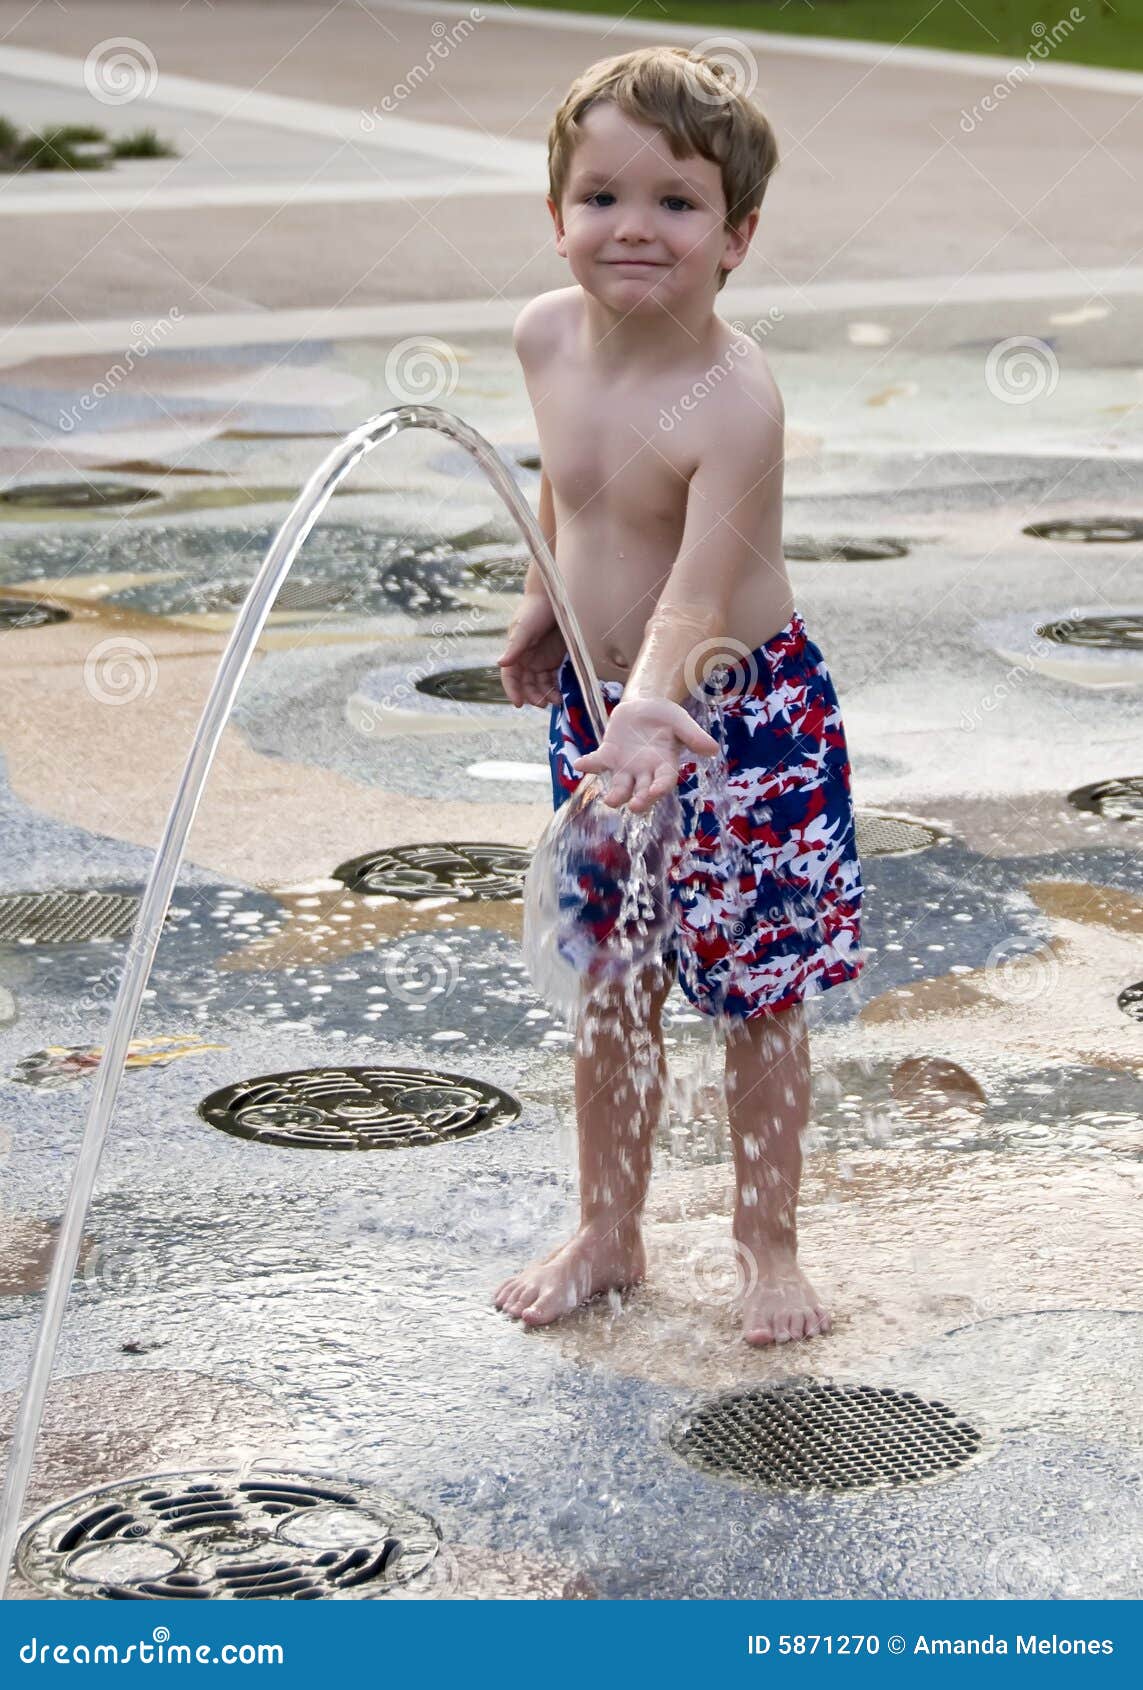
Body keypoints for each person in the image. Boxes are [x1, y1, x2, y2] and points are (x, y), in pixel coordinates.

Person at [493, 45, 864, 1346]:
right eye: (601, 197)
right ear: (557, 216)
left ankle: (768, 1246)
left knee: (758, 996)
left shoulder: (733, 401)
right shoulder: (544, 334)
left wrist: (651, 701)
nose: (634, 228)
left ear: (737, 235)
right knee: (611, 978)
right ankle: (609, 1229)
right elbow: (571, 484)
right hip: (606, 717)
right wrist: (543, 600)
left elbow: (696, 603)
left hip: (743, 724)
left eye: (677, 202)